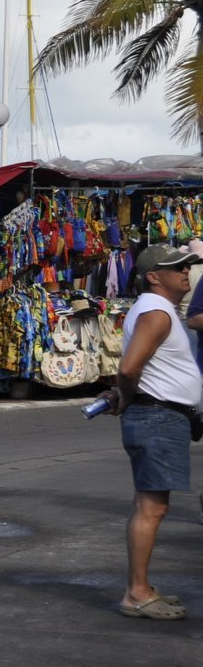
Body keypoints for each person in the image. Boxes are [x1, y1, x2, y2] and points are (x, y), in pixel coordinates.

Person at [103, 244, 202, 620]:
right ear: (153, 276)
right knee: (152, 507)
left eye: (188, 265)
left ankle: (140, 587)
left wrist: (124, 394)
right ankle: (137, 594)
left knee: (151, 505)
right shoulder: (157, 312)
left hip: (161, 416)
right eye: (177, 267)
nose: (186, 271)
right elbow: (129, 369)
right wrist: (126, 396)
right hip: (157, 418)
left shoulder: (156, 310)